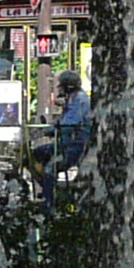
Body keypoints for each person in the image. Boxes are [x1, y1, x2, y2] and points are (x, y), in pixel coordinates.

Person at [36, 72, 92, 202]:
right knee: (38, 153)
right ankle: (49, 187)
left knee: (51, 168)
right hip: (67, 143)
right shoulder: (72, 98)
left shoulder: (79, 100)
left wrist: (51, 130)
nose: (59, 88)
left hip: (76, 145)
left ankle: (49, 204)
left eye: (61, 86)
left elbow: (69, 123)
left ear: (69, 86)